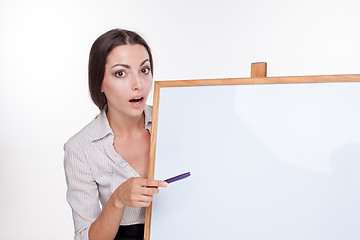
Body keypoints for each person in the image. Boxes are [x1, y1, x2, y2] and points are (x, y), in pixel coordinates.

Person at [64, 29, 168, 240]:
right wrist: (118, 199)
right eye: (121, 73)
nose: (138, 84)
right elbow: (84, 237)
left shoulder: (173, 121)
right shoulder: (81, 148)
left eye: (144, 70)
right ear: (99, 82)